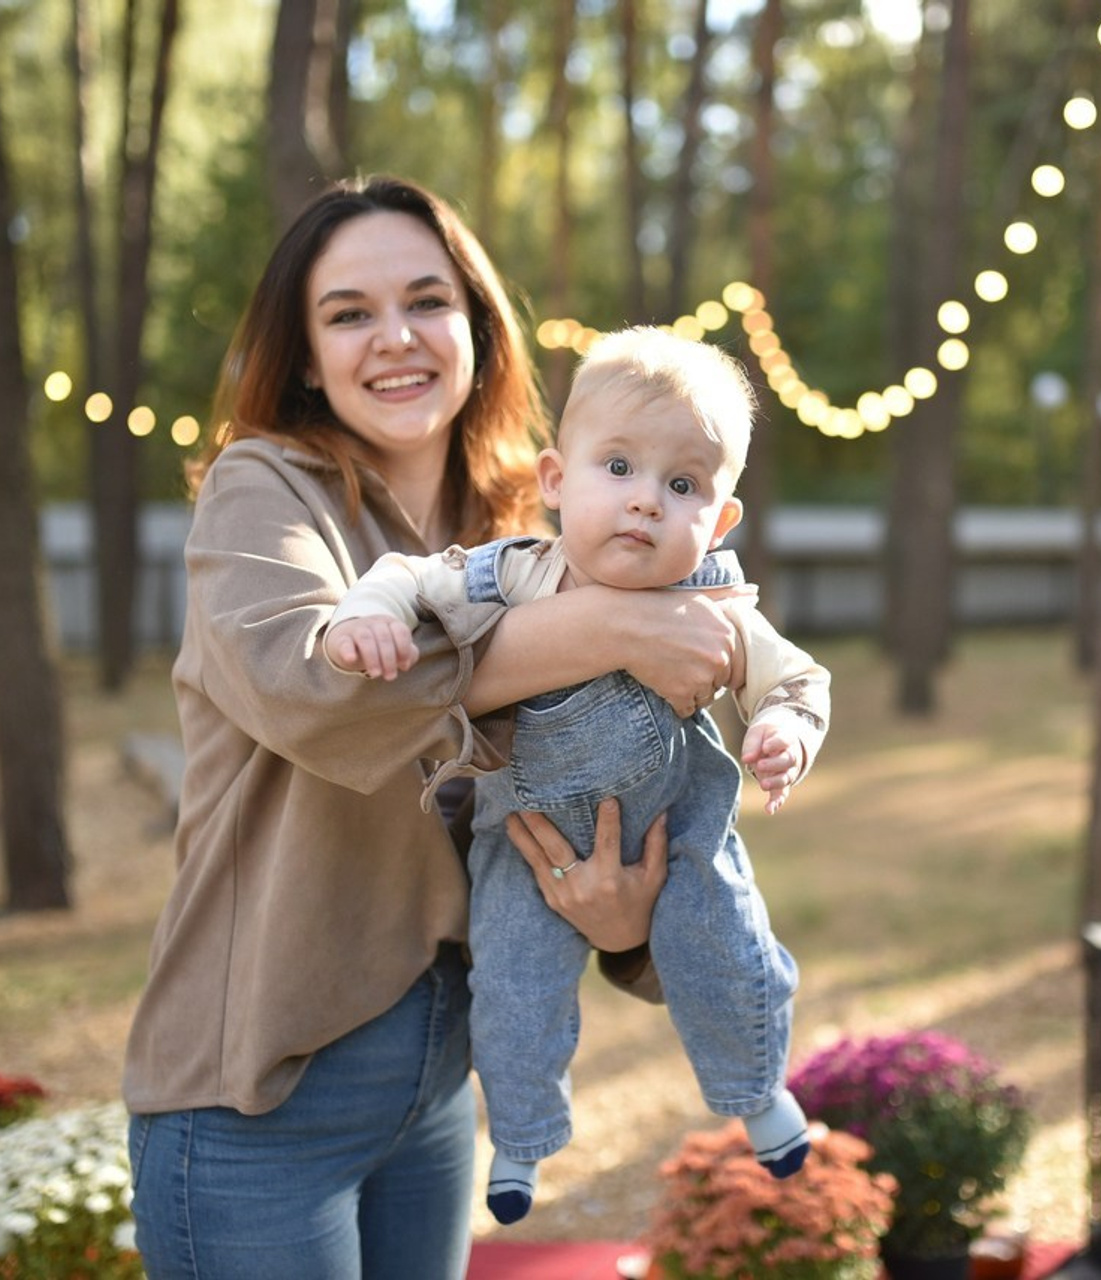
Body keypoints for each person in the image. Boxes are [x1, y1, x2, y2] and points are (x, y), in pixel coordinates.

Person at [121, 178, 746, 1280]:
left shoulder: (527, 527)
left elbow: (607, 768)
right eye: (348, 312)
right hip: (257, 1095)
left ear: (475, 325)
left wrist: (626, 920)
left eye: (426, 299)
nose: (395, 337)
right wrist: (614, 624)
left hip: (437, 1088)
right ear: (307, 354)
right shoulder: (259, 489)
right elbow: (320, 690)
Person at [324, 326, 832, 1225]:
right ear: (556, 481)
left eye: (681, 486)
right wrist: (367, 614)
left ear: (716, 522)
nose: (645, 503)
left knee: (730, 953)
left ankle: (757, 1093)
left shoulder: (712, 607)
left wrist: (787, 726)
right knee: (514, 990)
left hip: (679, 839)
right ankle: (521, 1138)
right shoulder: (515, 576)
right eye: (620, 468)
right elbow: (411, 577)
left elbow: (794, 678)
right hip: (524, 843)